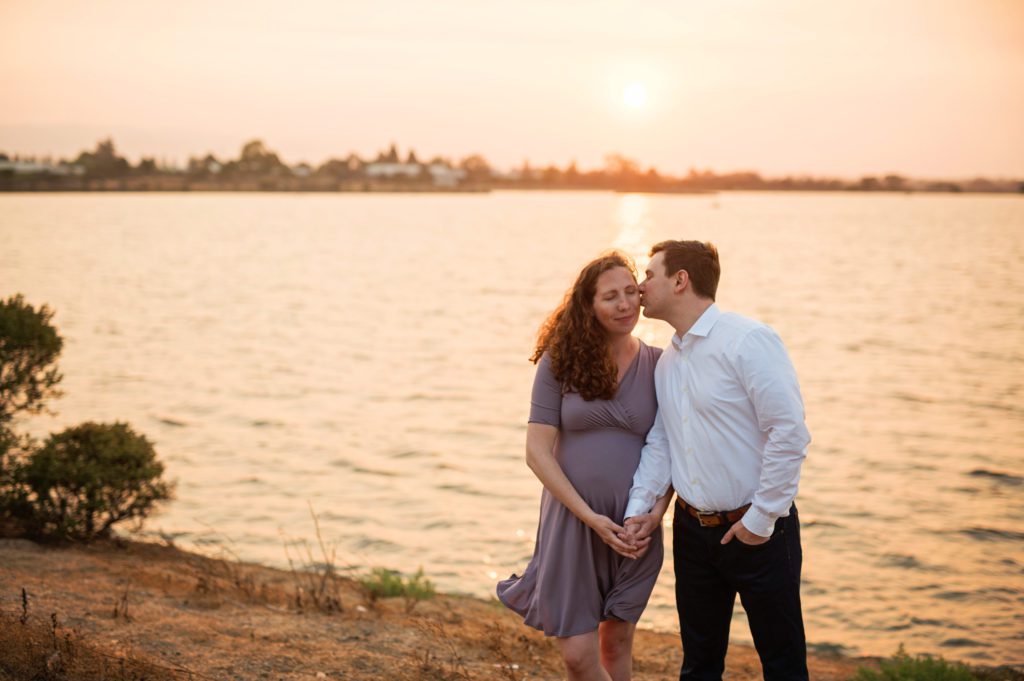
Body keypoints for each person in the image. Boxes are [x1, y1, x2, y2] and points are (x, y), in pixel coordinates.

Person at [622, 240, 811, 681]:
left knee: (783, 666)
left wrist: (760, 520)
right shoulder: (668, 362)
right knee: (699, 666)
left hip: (759, 531)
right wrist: (640, 509)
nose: (640, 286)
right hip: (692, 533)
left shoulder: (748, 341)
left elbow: (788, 433)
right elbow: (663, 443)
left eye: (649, 275)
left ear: (680, 280)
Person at [497, 252, 673, 681]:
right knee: (578, 657)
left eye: (630, 292)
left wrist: (655, 514)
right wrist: (590, 518)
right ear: (588, 305)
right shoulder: (560, 361)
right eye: (610, 297)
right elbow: (536, 451)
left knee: (616, 645)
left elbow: (673, 451)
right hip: (573, 523)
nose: (625, 304)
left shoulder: (660, 364)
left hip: (633, 529)